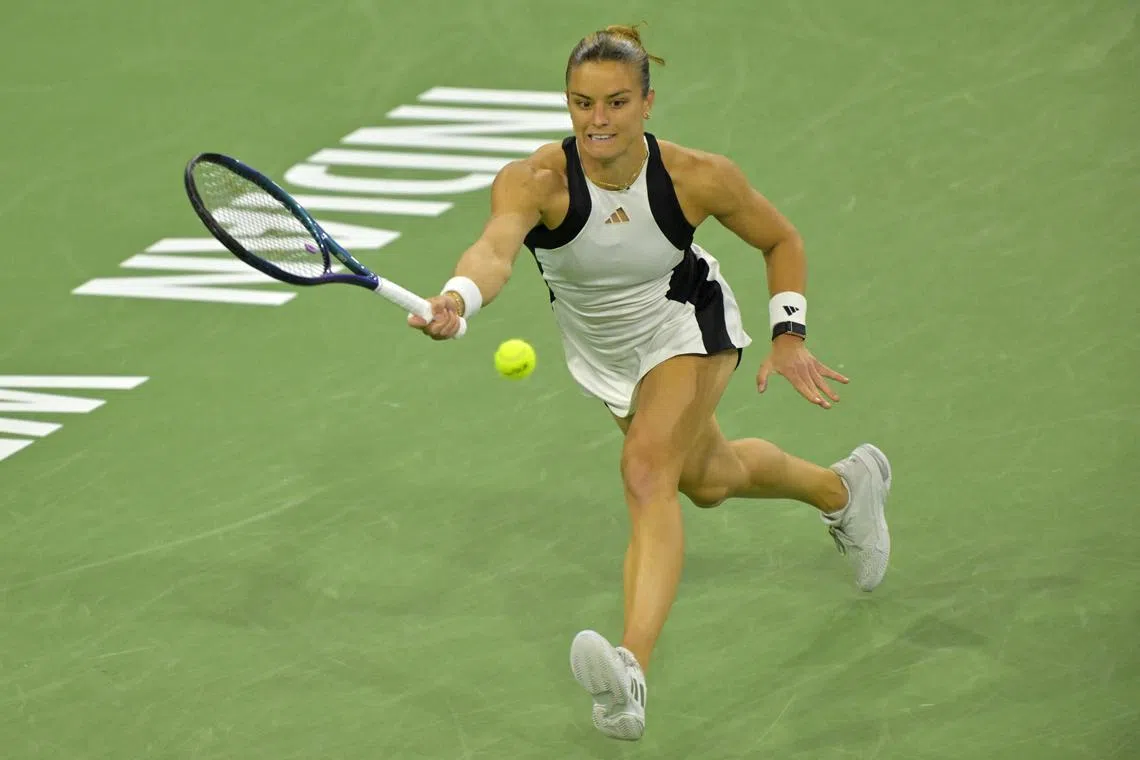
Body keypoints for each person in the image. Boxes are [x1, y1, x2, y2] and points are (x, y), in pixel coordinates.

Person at [409, 24, 892, 742]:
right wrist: (458, 298)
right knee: (707, 479)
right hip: (604, 355)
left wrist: (789, 333)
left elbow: (779, 238)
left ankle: (630, 669)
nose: (596, 121)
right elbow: (493, 250)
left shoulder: (696, 175)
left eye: (614, 103)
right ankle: (846, 490)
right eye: (581, 104)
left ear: (647, 103)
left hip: (685, 326)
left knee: (644, 472)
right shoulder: (536, 179)